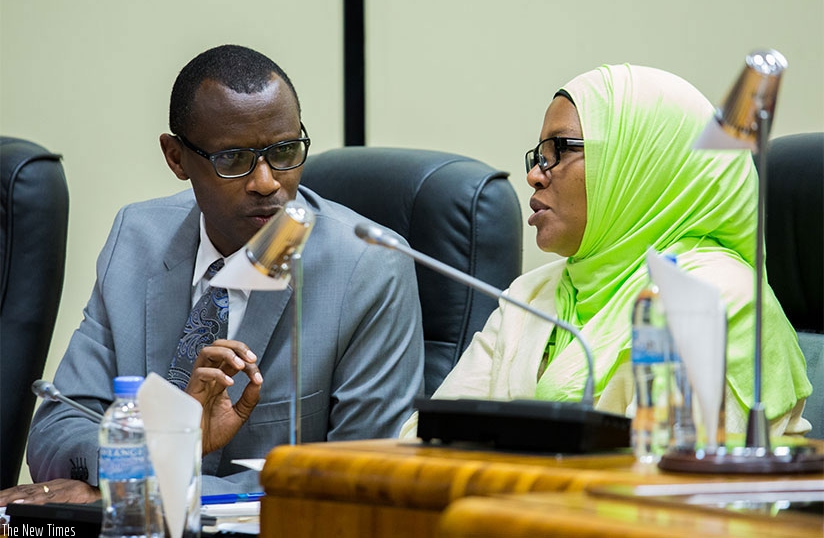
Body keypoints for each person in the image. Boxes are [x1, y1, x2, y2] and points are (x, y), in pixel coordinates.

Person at [1, 44, 424, 504]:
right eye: (234, 159)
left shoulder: (369, 268)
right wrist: (160, 456)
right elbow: (58, 427)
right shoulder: (137, 237)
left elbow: (362, 478)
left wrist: (134, 492)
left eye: (284, 151)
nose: (266, 182)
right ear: (176, 157)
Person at [401, 63, 811, 438]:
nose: (532, 176)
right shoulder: (532, 294)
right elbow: (422, 438)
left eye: (559, 150)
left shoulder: (714, 298)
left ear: (641, 163)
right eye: (538, 157)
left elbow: (660, 480)